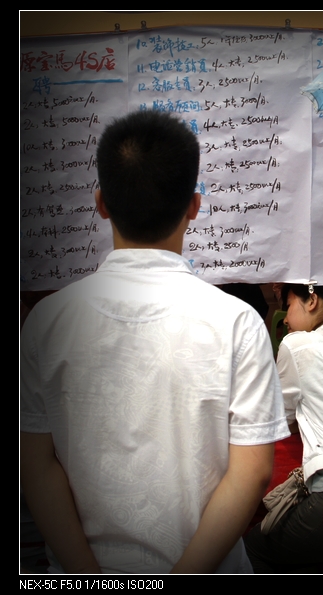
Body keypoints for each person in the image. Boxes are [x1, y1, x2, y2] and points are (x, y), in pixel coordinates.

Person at [20, 111, 286, 574]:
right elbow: (252, 470)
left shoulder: (47, 321)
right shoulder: (238, 322)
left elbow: (36, 466)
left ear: (101, 203)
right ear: (194, 206)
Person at [245, 283, 323, 573]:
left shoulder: (298, 344)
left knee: (251, 549)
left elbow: (278, 417)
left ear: (312, 300)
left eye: (289, 305)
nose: (285, 319)